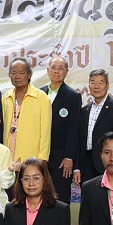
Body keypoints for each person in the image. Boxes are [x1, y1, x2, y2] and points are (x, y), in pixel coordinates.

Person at [73, 69, 113, 184]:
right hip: (85, 165)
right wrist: (76, 167)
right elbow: (78, 141)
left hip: (107, 162)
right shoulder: (84, 110)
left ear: (107, 85)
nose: (96, 86)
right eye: (93, 82)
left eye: (100, 82)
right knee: (87, 194)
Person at [40, 56, 81, 204]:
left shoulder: (73, 96)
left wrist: (69, 157)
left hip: (61, 158)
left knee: (60, 197)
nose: (57, 71)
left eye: (61, 68)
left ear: (66, 72)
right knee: (39, 196)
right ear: (47, 71)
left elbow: (74, 130)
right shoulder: (39, 93)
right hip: (40, 155)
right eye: (53, 68)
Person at [1, 57, 52, 162]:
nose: (17, 77)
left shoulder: (41, 97)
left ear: (29, 75)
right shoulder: (6, 97)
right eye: (13, 73)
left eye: (21, 73)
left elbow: (46, 132)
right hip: (7, 156)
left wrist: (43, 158)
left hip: (31, 158)